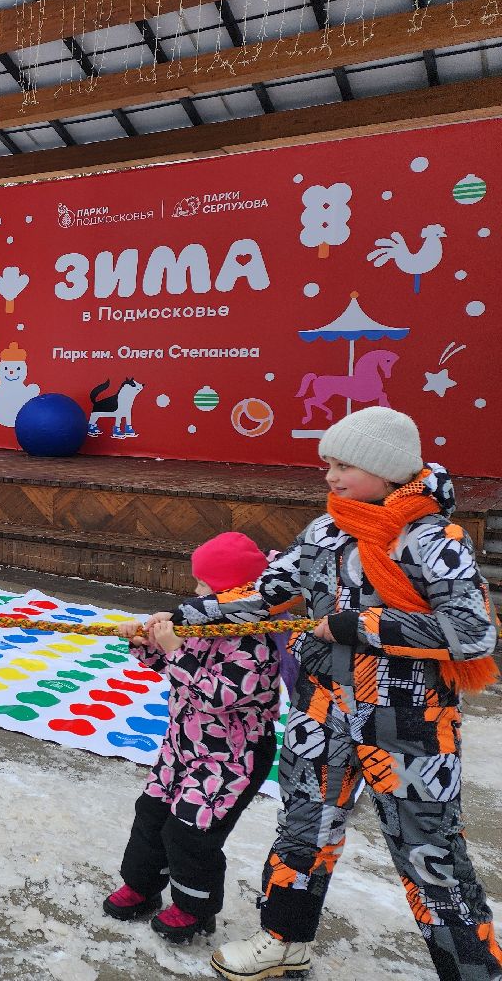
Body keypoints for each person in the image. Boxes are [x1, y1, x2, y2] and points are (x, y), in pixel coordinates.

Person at [179, 408, 502, 981]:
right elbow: (266, 594)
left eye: (345, 463)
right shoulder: (326, 531)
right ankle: (284, 938)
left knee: (429, 848)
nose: (329, 475)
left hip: (408, 720)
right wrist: (184, 618)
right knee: (304, 826)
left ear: (388, 470)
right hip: (319, 708)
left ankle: (473, 969)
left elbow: (473, 633)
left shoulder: (434, 539)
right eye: (328, 462)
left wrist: (360, 625)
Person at [103, 532, 280, 944]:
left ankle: (194, 909)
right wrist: (143, 643)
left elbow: (216, 694)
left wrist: (176, 650)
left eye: (204, 587)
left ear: (233, 594)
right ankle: (142, 886)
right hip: (182, 744)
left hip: (231, 759)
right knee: (151, 812)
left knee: (191, 831)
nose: (196, 594)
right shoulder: (203, 624)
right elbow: (170, 668)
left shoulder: (257, 644)